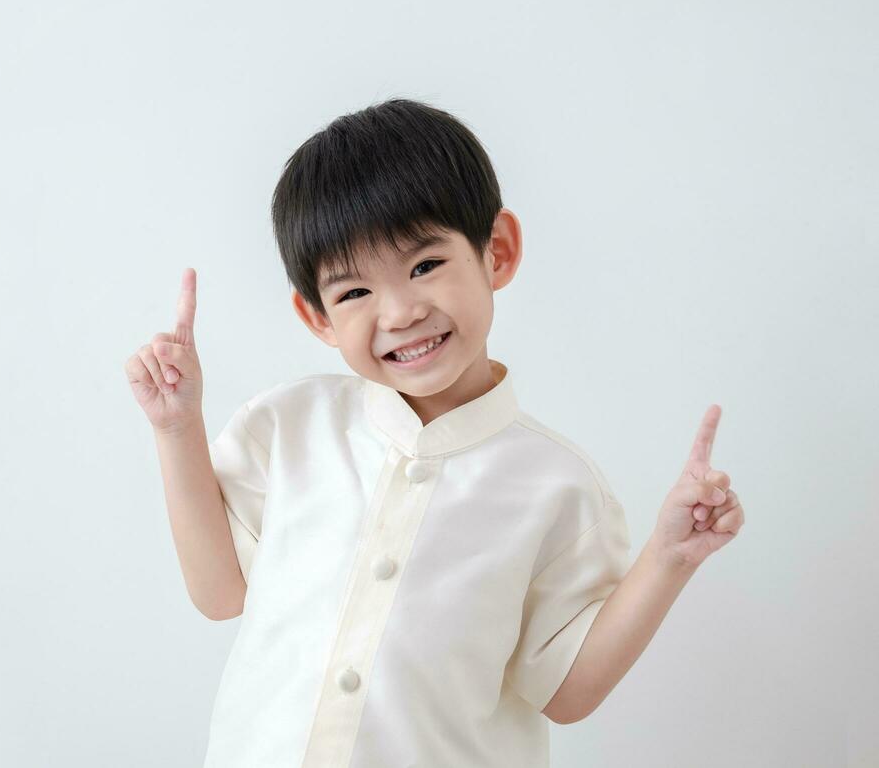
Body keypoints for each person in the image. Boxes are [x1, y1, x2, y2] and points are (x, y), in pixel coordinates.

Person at [124, 99, 745, 767]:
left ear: (497, 252)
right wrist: (177, 427)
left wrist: (669, 559)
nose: (400, 311)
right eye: (354, 293)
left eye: (424, 266)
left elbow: (566, 692)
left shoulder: (556, 486)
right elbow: (219, 594)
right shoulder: (288, 426)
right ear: (318, 318)